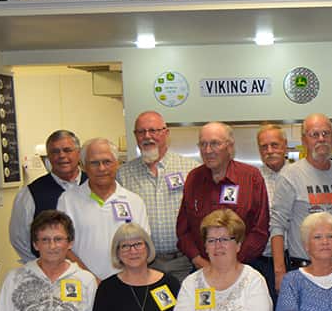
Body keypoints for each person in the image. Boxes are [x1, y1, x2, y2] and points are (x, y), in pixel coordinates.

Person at [270, 114, 332, 291]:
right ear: (304, 140)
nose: (321, 139)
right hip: (303, 270)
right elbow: (277, 226)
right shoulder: (290, 176)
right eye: (314, 134)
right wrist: (279, 272)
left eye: (326, 133)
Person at [176, 122, 270, 270]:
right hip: (203, 268)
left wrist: (233, 264)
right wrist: (199, 261)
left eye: (214, 144)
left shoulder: (251, 177)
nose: (207, 150)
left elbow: (260, 229)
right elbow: (183, 230)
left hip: (242, 267)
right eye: (203, 144)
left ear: (230, 147)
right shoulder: (194, 178)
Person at [118, 111, 199, 282]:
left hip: (183, 261)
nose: (147, 136)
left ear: (166, 133)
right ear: (135, 136)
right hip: (142, 263)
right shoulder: (123, 174)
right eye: (141, 132)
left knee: (183, 307)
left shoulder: (190, 169)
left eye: (153, 130)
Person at [58, 138, 150, 280]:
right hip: (82, 282)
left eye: (107, 162)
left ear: (117, 164)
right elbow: (63, 246)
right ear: (83, 166)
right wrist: (91, 279)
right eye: (94, 163)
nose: (101, 168)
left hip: (126, 282)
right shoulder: (68, 200)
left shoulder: (134, 201)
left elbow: (142, 248)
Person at [9, 129, 86, 263]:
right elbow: (19, 239)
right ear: (48, 157)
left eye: (67, 150)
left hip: (97, 274)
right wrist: (44, 267)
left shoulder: (95, 185)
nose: (61, 155)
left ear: (79, 154)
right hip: (52, 274)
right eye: (55, 152)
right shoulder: (31, 194)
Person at [252, 123, 291, 295]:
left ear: (285, 145)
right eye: (264, 147)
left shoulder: (300, 174)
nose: (269, 150)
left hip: (297, 260)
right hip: (263, 262)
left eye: (274, 145)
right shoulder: (251, 179)